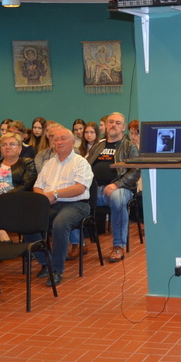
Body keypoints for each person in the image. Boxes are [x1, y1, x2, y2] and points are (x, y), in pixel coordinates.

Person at [28, 126, 93, 288]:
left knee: (60, 223)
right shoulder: (49, 164)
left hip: (77, 204)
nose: (59, 142)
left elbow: (80, 188)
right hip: (50, 203)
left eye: (63, 138)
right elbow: (37, 186)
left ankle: (57, 270)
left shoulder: (81, 163)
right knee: (28, 221)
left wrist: (55, 194)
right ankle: (46, 263)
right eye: (55, 139)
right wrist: (44, 197)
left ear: (72, 142)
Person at [79, 112, 141, 262]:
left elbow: (136, 170)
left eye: (118, 123)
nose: (114, 125)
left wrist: (116, 184)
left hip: (120, 188)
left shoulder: (129, 146)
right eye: (111, 122)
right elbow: (85, 167)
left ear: (123, 128)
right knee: (72, 198)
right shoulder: (98, 146)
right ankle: (78, 244)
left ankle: (118, 245)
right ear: (106, 125)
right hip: (94, 189)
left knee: (118, 199)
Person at [0, 132, 38, 243]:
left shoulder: (27, 163)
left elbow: (26, 185)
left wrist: (3, 197)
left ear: (20, 149)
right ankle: (1, 234)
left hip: (15, 201)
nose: (7, 147)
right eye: (4, 145)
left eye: (12, 144)